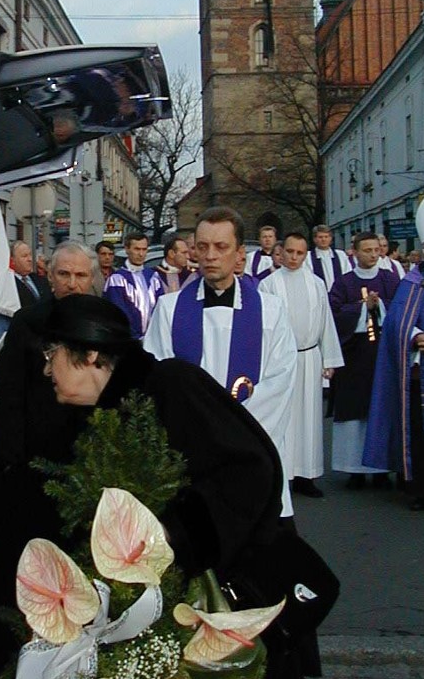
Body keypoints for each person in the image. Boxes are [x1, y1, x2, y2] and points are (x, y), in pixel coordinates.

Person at [0, 294, 283, 679]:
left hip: (179, 624)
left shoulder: (171, 385)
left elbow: (250, 471)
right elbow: (29, 496)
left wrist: (165, 544)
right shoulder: (82, 416)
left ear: (90, 355)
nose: (46, 368)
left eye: (53, 356)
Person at [144, 205, 298, 519]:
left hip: (251, 450)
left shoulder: (270, 310)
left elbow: (280, 381)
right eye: (202, 247)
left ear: (240, 253)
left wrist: (232, 436)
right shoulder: (169, 310)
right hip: (192, 453)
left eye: (221, 247)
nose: (210, 255)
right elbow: (158, 379)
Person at [365, 190, 424, 513]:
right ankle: (421, 491)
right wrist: (417, 337)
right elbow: (394, 325)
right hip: (418, 371)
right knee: (417, 433)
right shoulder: (412, 281)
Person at [0, 240, 97, 465]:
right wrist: (10, 453)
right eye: (64, 274)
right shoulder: (26, 321)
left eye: (81, 275)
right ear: (50, 276)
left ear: (92, 278)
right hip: (37, 447)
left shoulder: (107, 322)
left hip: (94, 446)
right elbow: (9, 392)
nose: (72, 283)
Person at [260, 232, 343, 498]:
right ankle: (283, 473)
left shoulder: (316, 283)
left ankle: (306, 475)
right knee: (284, 417)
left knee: (309, 417)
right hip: (282, 360)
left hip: (309, 357)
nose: (294, 258)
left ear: (306, 255)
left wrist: (329, 358)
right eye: (290, 252)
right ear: (281, 253)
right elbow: (264, 327)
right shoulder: (269, 285)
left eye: (300, 253)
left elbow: (325, 320)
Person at [328, 231, 401, 489]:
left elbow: (402, 310)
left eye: (375, 250)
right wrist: (362, 308)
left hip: (382, 356)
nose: (372, 254)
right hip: (354, 356)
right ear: (355, 252)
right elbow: (332, 314)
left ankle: (381, 469)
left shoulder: (390, 279)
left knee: (380, 410)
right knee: (353, 413)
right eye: (366, 250)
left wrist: (380, 306)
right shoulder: (343, 282)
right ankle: (354, 470)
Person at [103, 229, 165, 338]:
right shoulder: (117, 279)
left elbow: (161, 308)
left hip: (153, 339)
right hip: (127, 341)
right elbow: (118, 313)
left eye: (144, 249)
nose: (141, 254)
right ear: (127, 249)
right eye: (137, 249)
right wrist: (135, 338)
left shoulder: (153, 277)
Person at [306, 224, 351, 291]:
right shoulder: (308, 257)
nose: (323, 239)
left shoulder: (340, 255)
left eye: (326, 237)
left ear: (330, 238)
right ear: (315, 239)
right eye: (320, 237)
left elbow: (348, 274)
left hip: (339, 294)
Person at [10, 239, 51, 307]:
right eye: (25, 256)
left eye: (30, 255)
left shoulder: (41, 280)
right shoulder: (10, 284)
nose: (30, 259)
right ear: (12, 260)